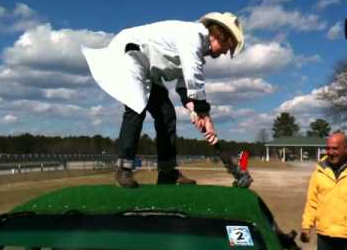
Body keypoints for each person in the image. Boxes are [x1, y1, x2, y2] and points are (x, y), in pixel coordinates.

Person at [82, 12, 244, 187]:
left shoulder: (197, 51)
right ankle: (124, 169)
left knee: (167, 115)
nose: (226, 52)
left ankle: (167, 172)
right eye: (228, 47)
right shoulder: (194, 35)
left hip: (148, 70)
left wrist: (195, 112)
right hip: (129, 54)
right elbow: (193, 78)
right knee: (136, 107)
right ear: (220, 35)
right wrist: (205, 116)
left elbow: (185, 88)